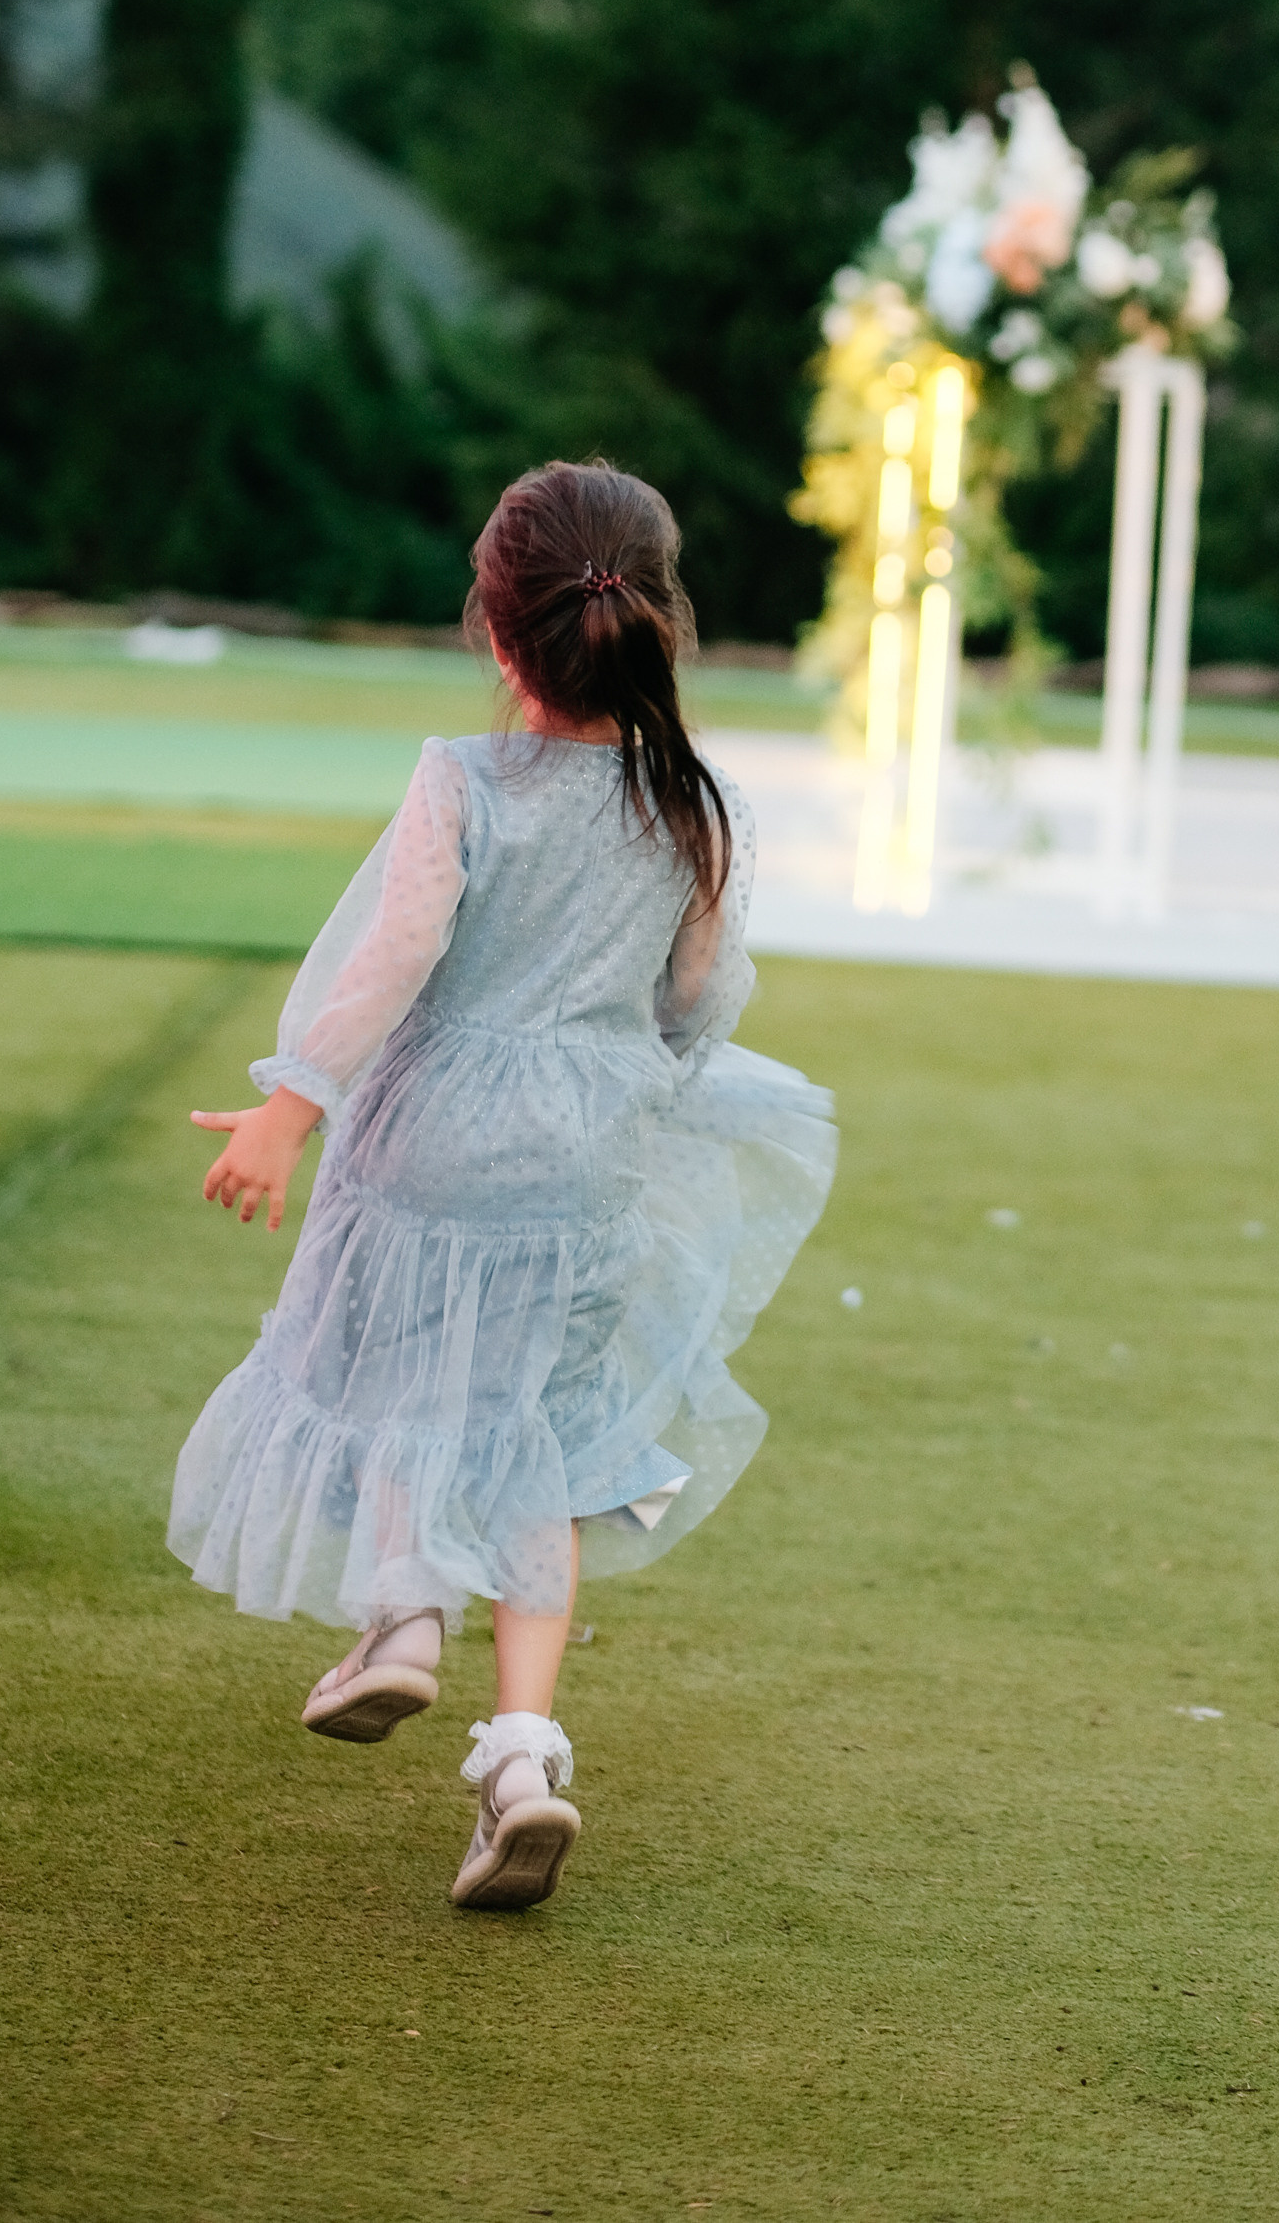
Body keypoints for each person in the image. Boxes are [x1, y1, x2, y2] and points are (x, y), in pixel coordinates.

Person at [169, 460, 836, 1913]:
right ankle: (523, 1761)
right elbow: (696, 995)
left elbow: (390, 962)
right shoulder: (690, 799)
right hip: (585, 1149)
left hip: (433, 1135)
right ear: (660, 620)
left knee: (415, 1377)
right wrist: (624, 1077)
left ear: (493, 629)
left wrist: (293, 1105)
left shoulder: (463, 783)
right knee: (527, 1425)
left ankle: (402, 1616)